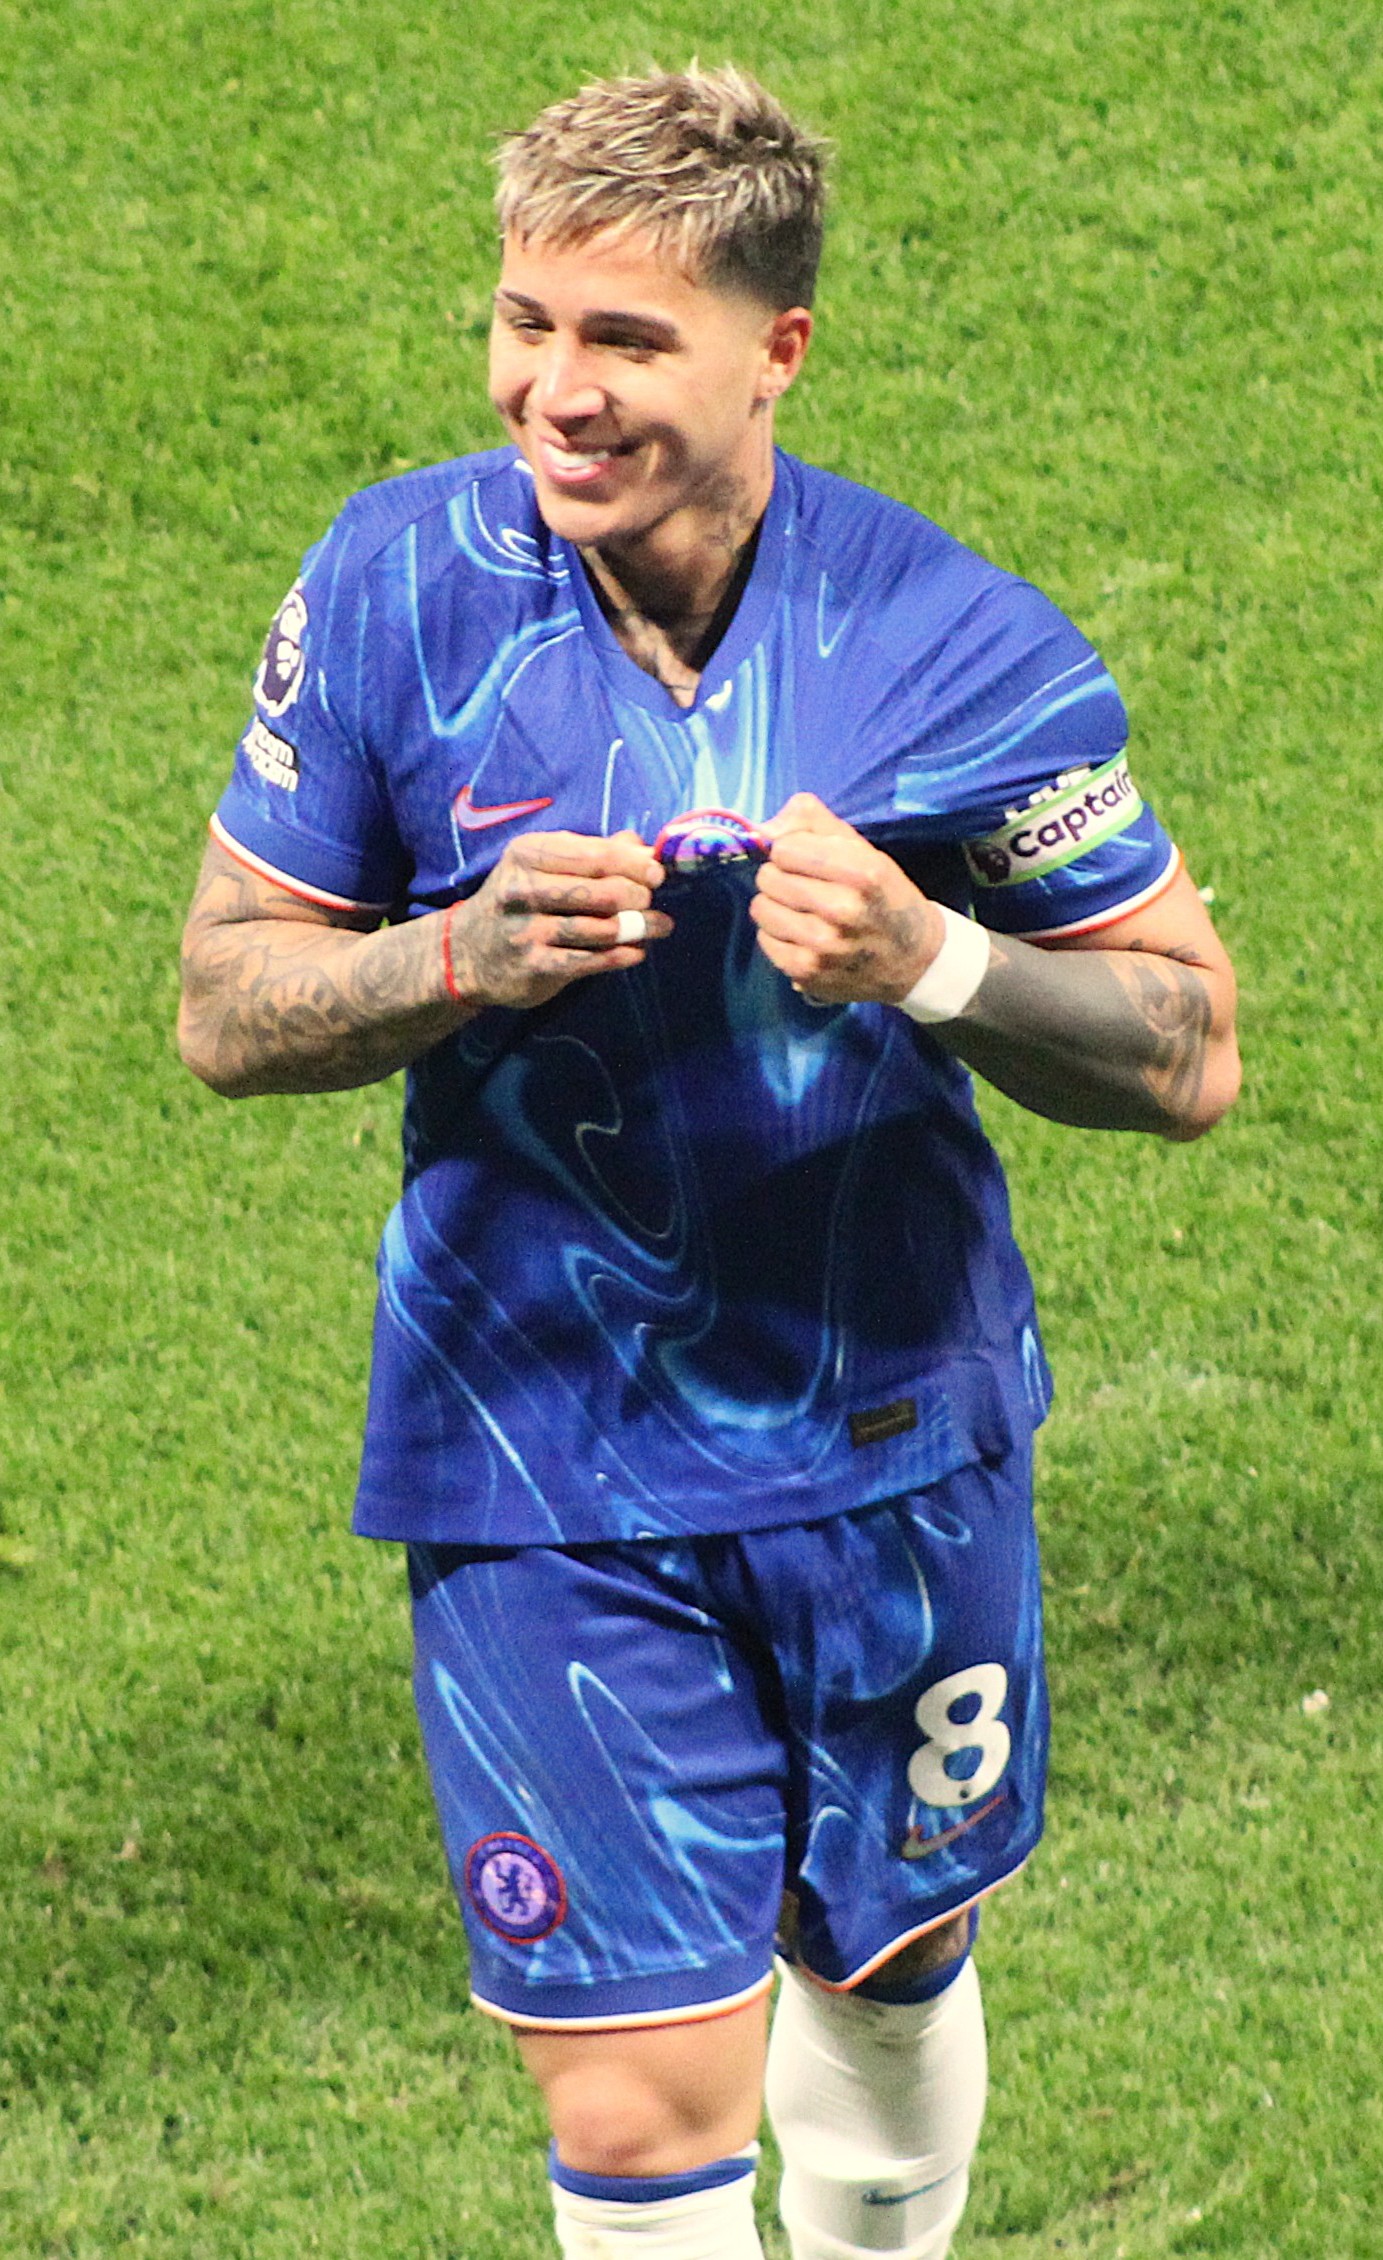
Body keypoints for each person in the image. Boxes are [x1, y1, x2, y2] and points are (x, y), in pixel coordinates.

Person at [178, 64, 1239, 2260]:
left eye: (624, 339)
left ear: (779, 350)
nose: (552, 392)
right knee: (639, 2093)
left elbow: (1185, 1048)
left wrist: (935, 958)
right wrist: (451, 957)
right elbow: (222, 999)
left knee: (888, 1969)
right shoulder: (392, 586)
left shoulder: (947, 637)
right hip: (537, 1459)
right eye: (524, 321)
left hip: (890, 1444)